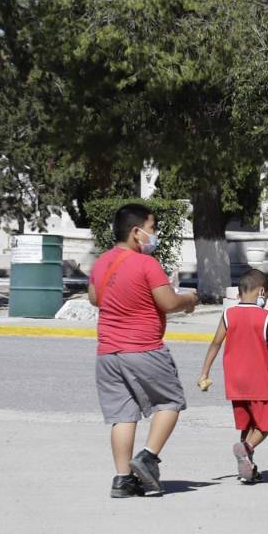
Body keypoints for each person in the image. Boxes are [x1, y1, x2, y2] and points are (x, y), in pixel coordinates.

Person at [88, 203, 198, 498]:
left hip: (107, 353)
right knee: (170, 402)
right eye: (152, 228)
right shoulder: (146, 264)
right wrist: (188, 299)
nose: (155, 234)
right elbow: (168, 303)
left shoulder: (101, 263)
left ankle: (123, 480)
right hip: (144, 348)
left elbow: (95, 298)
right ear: (137, 233)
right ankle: (148, 457)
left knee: (122, 415)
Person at [196, 269, 268, 483]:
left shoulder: (228, 314)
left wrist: (205, 372)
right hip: (258, 383)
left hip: (235, 383)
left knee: (248, 426)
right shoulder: (265, 317)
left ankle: (247, 468)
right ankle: (246, 449)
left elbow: (215, 343)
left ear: (238, 293)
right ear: (262, 292)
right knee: (264, 426)